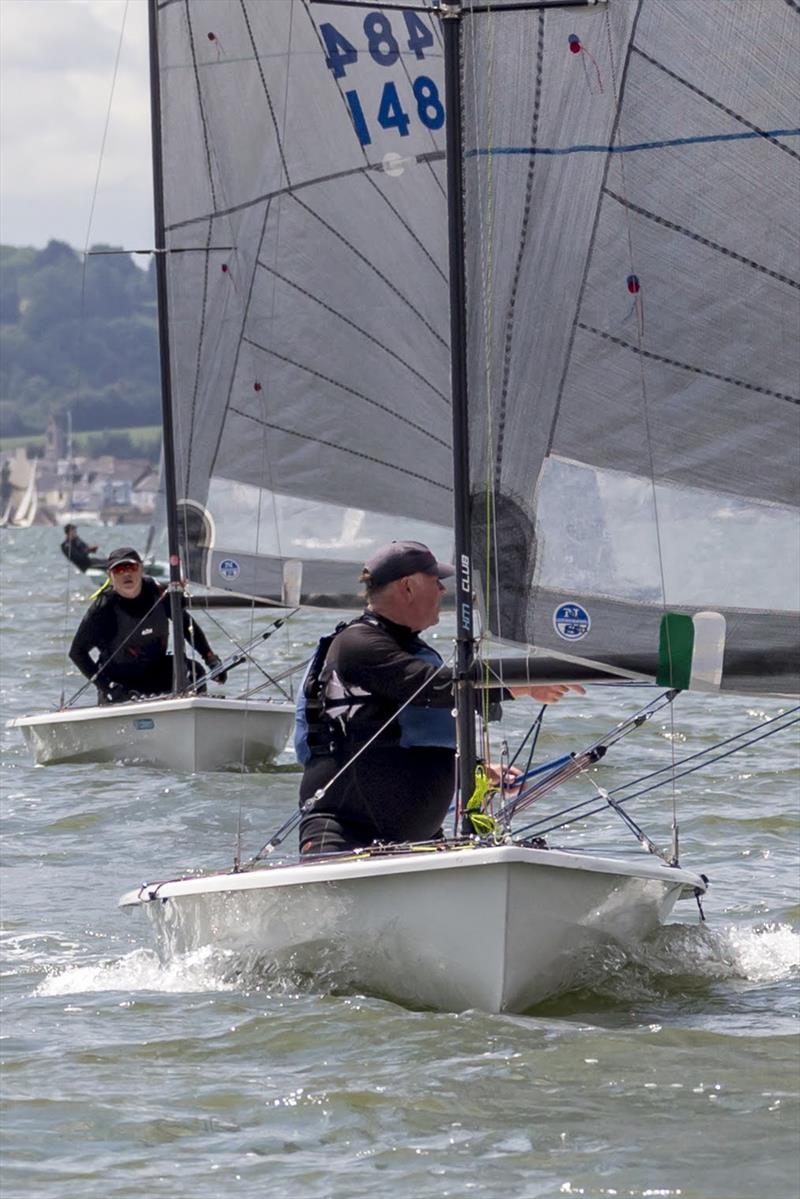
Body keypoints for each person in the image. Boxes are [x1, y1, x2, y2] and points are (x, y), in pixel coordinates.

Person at [295, 540, 583, 856]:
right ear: (407, 587)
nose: (443, 592)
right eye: (436, 582)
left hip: (419, 843)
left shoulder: (406, 649)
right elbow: (433, 688)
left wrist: (475, 768)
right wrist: (526, 681)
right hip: (347, 835)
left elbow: (397, 733)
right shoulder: (357, 644)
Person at [69, 546, 226, 704]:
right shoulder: (102, 609)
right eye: (119, 570)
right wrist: (107, 687)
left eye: (131, 567)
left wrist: (210, 658)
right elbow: (77, 653)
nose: (126, 573)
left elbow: (186, 625)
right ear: (110, 575)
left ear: (141, 569)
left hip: (156, 671)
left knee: (194, 671)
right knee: (117, 693)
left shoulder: (157, 592)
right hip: (120, 681)